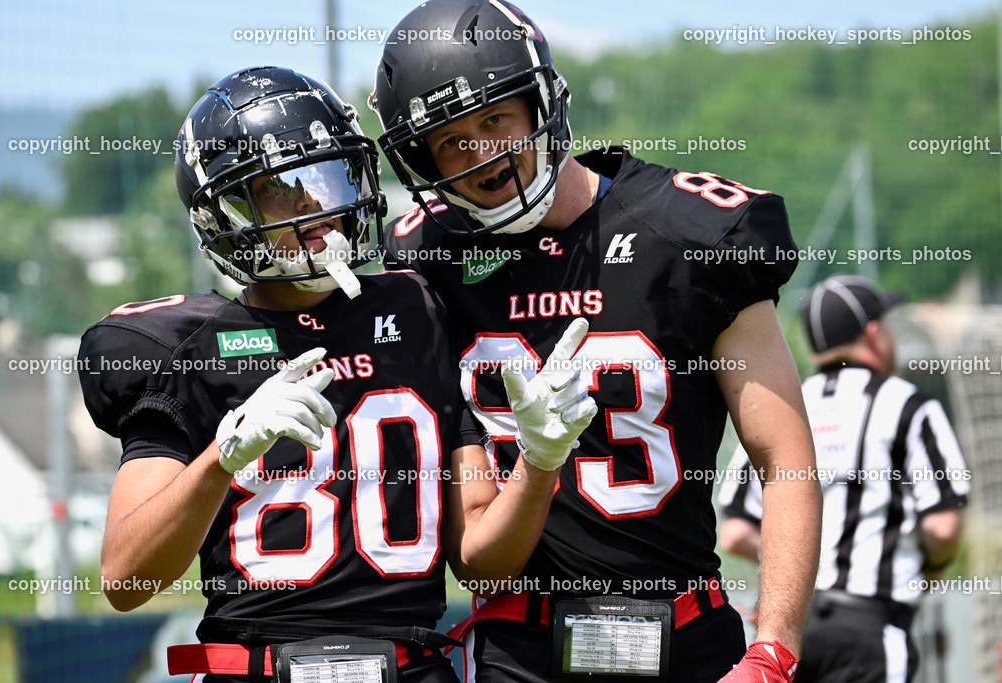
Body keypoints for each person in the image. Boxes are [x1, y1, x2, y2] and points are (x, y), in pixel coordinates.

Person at [78, 66, 596, 683]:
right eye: (280, 187)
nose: (313, 204)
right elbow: (125, 580)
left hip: (413, 667)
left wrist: (541, 462)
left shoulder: (421, 310)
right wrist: (221, 457)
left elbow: (481, 567)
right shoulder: (182, 347)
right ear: (225, 216)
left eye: (325, 176)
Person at [368, 2, 822, 681]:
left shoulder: (691, 231)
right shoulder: (428, 255)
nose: (483, 155)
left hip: (688, 636)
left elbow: (783, 455)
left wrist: (774, 647)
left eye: (495, 120)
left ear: (541, 104)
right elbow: (475, 550)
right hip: (518, 647)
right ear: (419, 157)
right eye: (453, 140)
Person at [718, 274, 968, 683]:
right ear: (874, 334)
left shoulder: (786, 403)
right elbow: (942, 528)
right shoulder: (907, 405)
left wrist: (800, 564)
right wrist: (931, 568)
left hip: (787, 631)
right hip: (869, 627)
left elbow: (735, 533)